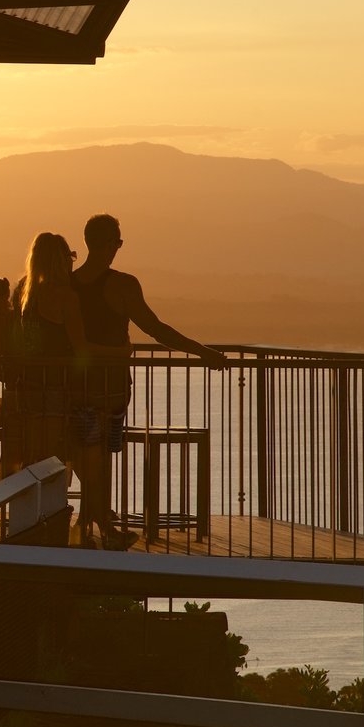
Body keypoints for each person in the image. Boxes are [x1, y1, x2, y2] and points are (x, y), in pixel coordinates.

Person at [71, 212, 227, 548]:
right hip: (109, 386)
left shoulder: (67, 284)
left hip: (72, 383)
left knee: (85, 454)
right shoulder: (122, 284)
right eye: (119, 241)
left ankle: (89, 521)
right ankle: (100, 525)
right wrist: (202, 352)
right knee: (100, 454)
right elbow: (155, 330)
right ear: (113, 244)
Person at [7, 233, 88, 490]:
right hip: (57, 383)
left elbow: (17, 341)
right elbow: (80, 346)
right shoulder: (65, 297)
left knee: (32, 450)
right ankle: (52, 510)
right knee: (55, 451)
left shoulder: (24, 293)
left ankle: (30, 508)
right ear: (60, 260)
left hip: (27, 383)